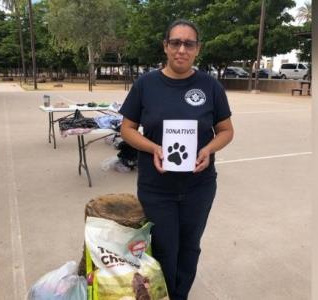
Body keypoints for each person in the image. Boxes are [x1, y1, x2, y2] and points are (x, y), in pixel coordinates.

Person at [119, 19, 234, 300]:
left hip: (199, 186)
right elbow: (127, 129)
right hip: (156, 187)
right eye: (175, 42)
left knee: (189, 247)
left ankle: (179, 295)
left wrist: (207, 149)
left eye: (189, 44)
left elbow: (226, 131)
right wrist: (153, 148)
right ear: (165, 46)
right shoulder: (146, 84)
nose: (181, 49)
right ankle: (163, 295)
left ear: (197, 49)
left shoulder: (210, 86)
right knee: (163, 248)